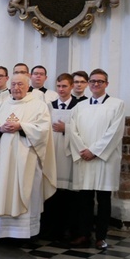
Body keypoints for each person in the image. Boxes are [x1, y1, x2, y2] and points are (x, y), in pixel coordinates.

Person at [0, 73, 56, 239]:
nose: (16, 88)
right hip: (2, 160)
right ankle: (0, 232)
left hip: (26, 160)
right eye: (14, 84)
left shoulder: (38, 106)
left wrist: (21, 126)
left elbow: (43, 131)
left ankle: (23, 234)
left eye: (20, 84)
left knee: (25, 190)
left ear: (28, 85)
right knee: (2, 190)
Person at [68, 69, 125, 250]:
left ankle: (101, 237)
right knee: (84, 200)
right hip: (84, 157)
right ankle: (84, 234)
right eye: (92, 81)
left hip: (103, 159)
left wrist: (94, 151)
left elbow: (114, 132)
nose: (95, 84)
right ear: (88, 84)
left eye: (100, 81)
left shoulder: (117, 105)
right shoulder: (80, 106)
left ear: (106, 84)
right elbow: (72, 130)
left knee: (103, 199)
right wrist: (82, 150)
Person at [41, 73, 80, 240]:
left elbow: (82, 130)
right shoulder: (49, 106)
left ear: (71, 87)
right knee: (51, 191)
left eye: (65, 86)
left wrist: (67, 129)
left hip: (68, 154)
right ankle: (50, 228)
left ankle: (67, 229)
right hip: (52, 153)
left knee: (68, 194)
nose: (61, 90)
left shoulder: (79, 106)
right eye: (59, 86)